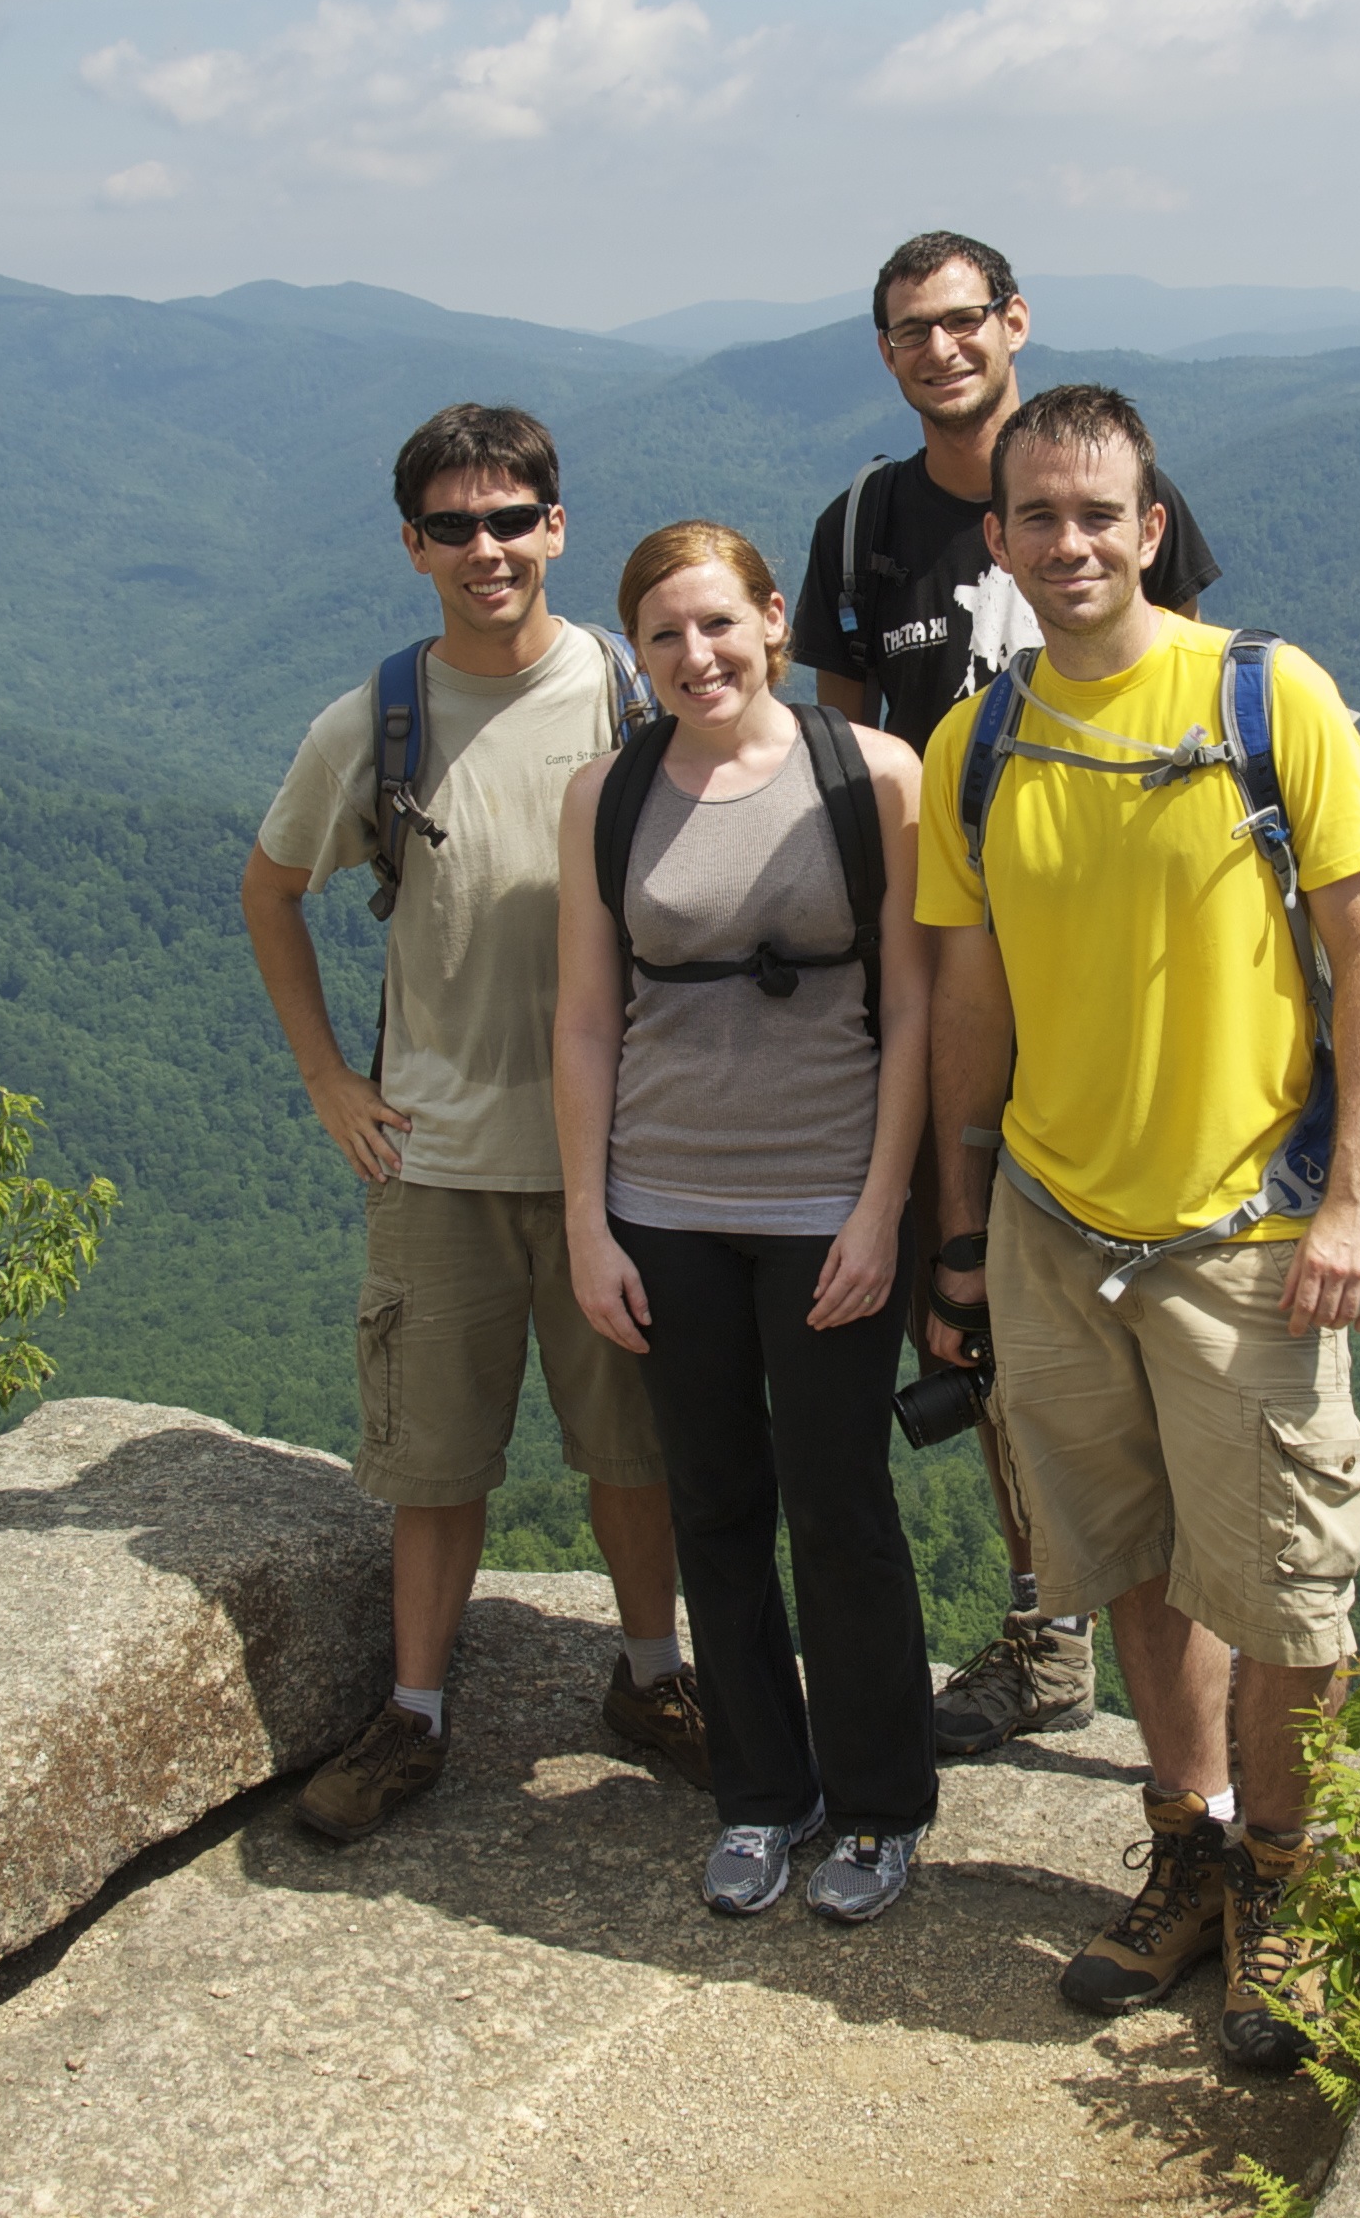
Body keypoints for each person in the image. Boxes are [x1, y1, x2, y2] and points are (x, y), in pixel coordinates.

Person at [915, 382, 1360, 2074]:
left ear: (1152, 525)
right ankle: (1187, 1844)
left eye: (1098, 514)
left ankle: (1285, 1875)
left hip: (1245, 1235)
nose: (1070, 543)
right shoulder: (977, 744)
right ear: (997, 541)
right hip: (1054, 1223)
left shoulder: (1269, 697)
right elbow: (970, 999)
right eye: (1037, 518)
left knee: (1287, 1593)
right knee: (1126, 1559)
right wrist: (960, 1229)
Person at [791, 229, 1225, 1764]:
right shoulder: (862, 530)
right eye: (911, 329)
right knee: (973, 1299)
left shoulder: (1097, 486)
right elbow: (845, 755)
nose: (941, 348)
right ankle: (1052, 1630)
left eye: (962, 319)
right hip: (950, 956)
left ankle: (1198, 1645)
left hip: (1122, 963)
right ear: (887, 351)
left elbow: (1199, 689)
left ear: (1015, 322)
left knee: (1170, 1298)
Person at [241, 402, 703, 1844]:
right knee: (432, 1466)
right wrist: (330, 1081)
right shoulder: (373, 724)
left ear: (556, 527)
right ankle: (416, 1712)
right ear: (414, 545)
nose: (485, 549)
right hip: (435, 1160)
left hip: (620, 1162)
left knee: (633, 1448)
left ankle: (654, 1677)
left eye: (511, 520)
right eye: (454, 526)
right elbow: (271, 890)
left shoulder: (634, 697)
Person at [554, 522, 938, 1923]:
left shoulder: (872, 776)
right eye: (662, 635)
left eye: (718, 623)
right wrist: (589, 1223)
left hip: (830, 1197)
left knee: (841, 1508)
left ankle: (881, 1805)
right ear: (636, 653)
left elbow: (915, 1006)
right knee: (714, 1505)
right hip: (662, 1202)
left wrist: (884, 1210)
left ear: (775, 619)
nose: (695, 655)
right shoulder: (606, 793)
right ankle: (762, 1794)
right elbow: (585, 1017)